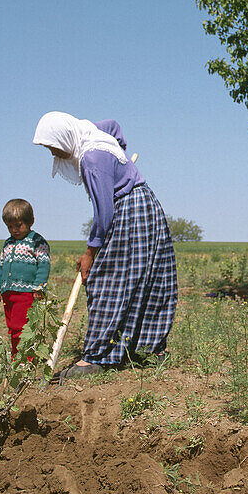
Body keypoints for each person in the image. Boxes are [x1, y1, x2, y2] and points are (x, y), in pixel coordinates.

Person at [32, 112, 177, 380]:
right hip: (146, 205)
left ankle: (96, 358)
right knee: (145, 277)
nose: (52, 151)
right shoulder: (91, 132)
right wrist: (119, 150)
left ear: (64, 137)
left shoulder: (92, 159)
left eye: (51, 145)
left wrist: (90, 253)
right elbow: (114, 126)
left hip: (130, 210)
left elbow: (104, 212)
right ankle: (147, 349)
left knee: (106, 279)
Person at [0, 199, 50, 356]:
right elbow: (1, 266)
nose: (14, 230)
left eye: (18, 225)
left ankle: (25, 359)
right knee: (12, 326)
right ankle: (17, 355)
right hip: (8, 292)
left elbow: (44, 266)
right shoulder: (8, 243)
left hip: (26, 293)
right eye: (10, 226)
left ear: (30, 222)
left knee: (22, 327)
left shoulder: (36, 241)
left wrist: (39, 287)